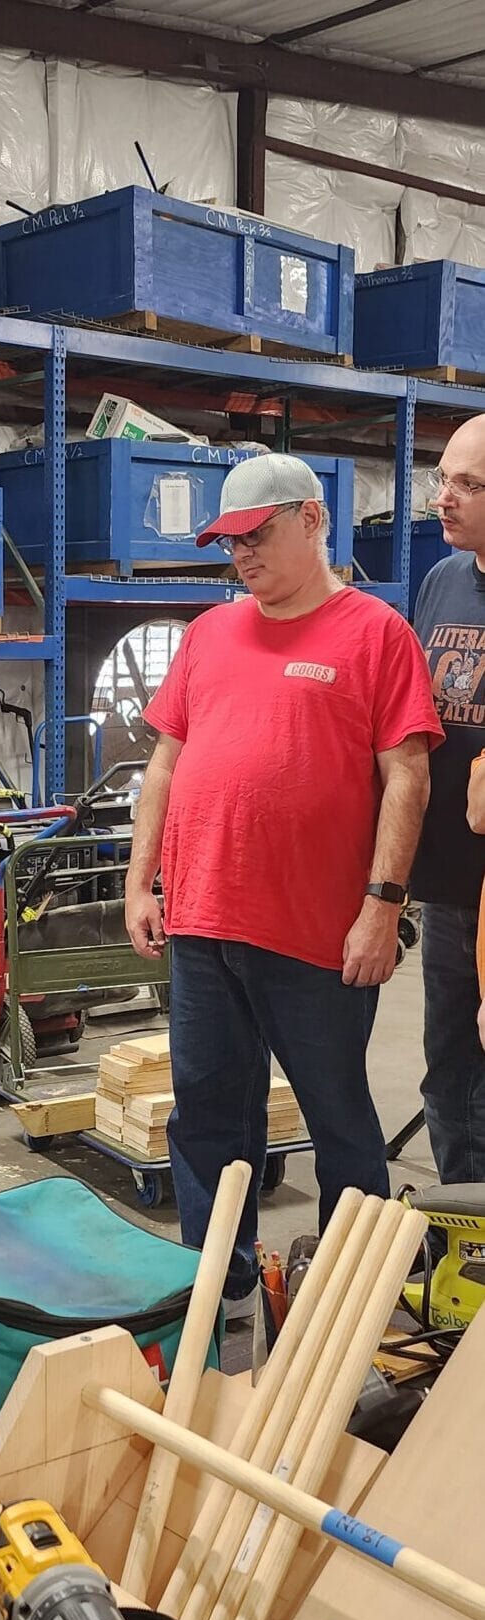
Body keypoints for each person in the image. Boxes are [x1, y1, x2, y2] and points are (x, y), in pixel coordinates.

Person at [125, 452, 440, 1310]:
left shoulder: (376, 633)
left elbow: (407, 777)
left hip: (315, 933)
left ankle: (353, 1300)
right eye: (229, 544)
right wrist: (140, 881)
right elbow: (165, 761)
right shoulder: (210, 634)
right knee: (207, 1119)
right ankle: (216, 1287)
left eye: (256, 536)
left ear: (312, 520)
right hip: (202, 922)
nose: (242, 558)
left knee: (338, 1118)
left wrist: (382, 907)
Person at [410, 416, 485, 1183]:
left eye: (468, 485)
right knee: (450, 1069)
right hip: (448, 887)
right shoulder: (442, 581)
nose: (445, 498)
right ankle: (468, 1232)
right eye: (443, 479)